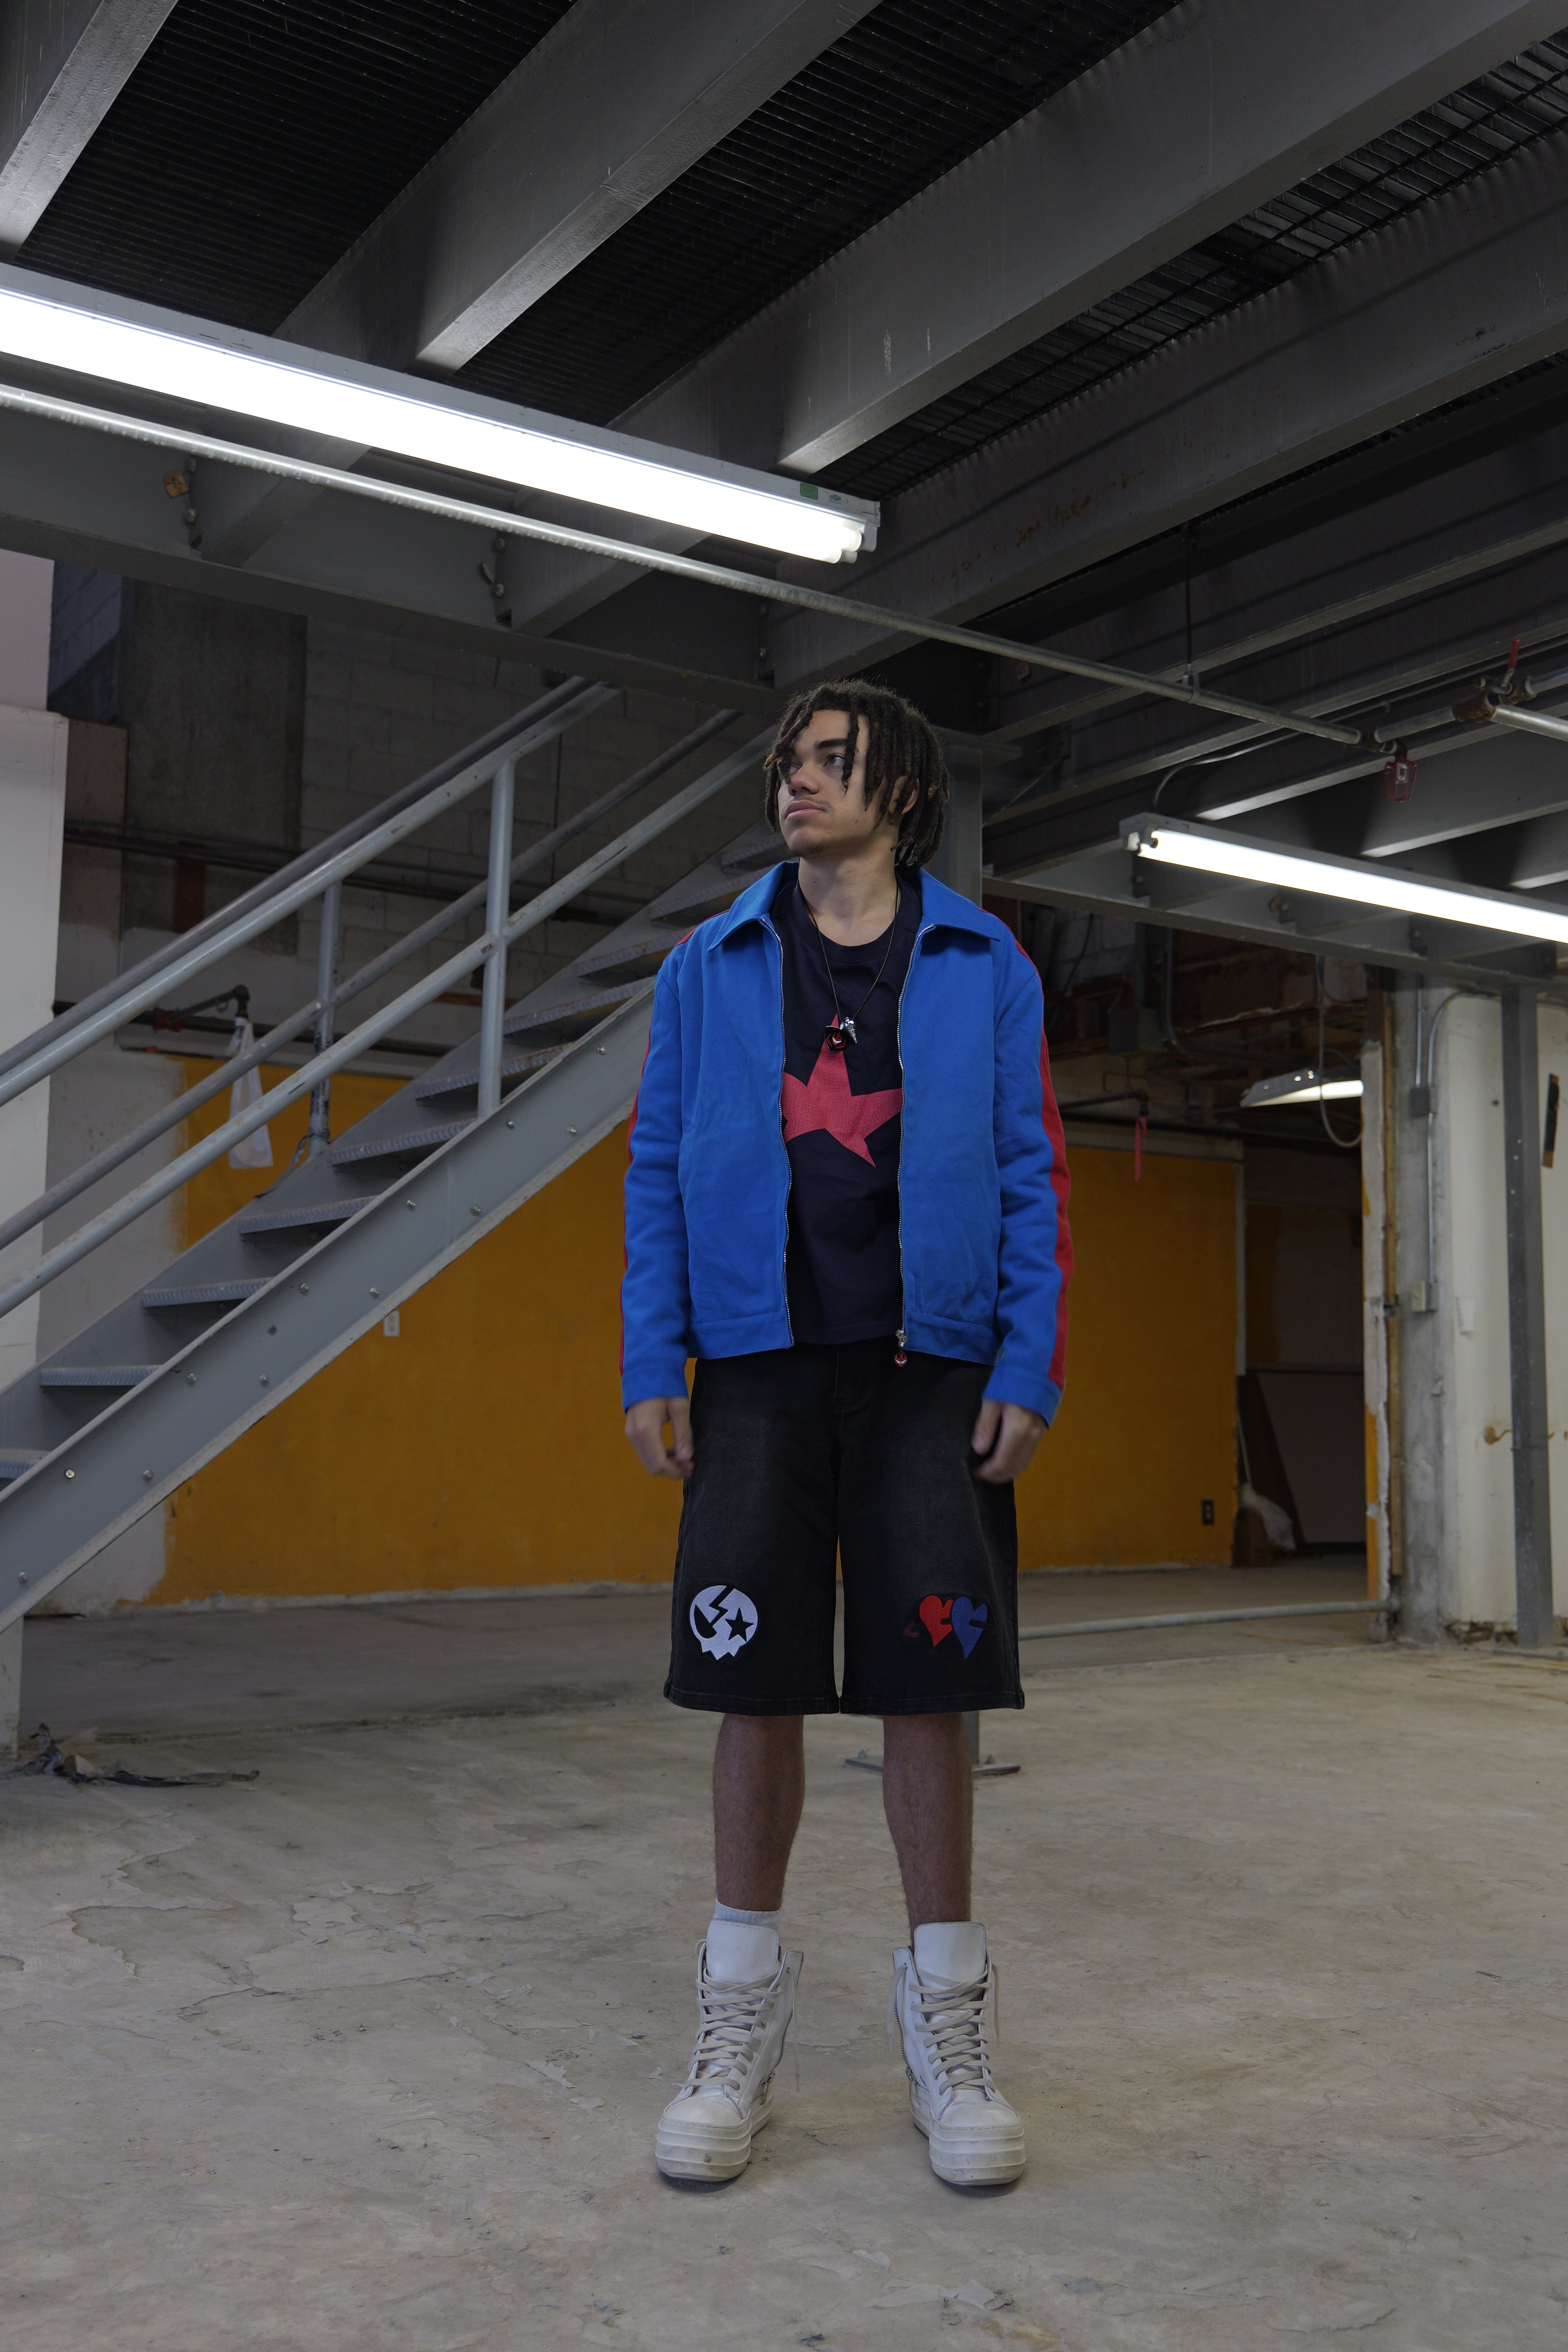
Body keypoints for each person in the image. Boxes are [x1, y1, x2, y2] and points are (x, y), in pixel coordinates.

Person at [621, 678, 1072, 2188]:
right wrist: (653, 1353)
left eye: (830, 761)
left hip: (931, 1372)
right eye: (789, 762)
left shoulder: (985, 962)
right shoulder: (710, 963)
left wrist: (1028, 1359)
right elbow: (656, 1163)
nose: (796, 782)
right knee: (749, 1683)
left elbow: (1033, 1168)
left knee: (929, 1689)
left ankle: (948, 2018)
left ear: (907, 789)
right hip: (756, 1366)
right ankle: (737, 2012)